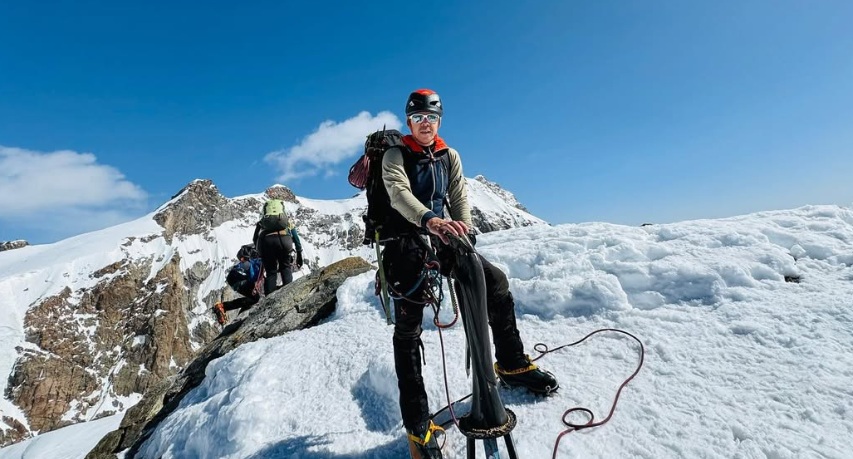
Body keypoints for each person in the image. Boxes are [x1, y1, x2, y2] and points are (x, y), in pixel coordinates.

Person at [381, 89, 559, 458]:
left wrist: (461, 226)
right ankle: (417, 426)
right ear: (408, 122)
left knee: (494, 282)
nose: (425, 124)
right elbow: (398, 193)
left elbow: (459, 193)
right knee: (409, 325)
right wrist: (429, 220)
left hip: (444, 233)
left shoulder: (449, 155)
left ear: (439, 121)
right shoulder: (395, 155)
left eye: (430, 118)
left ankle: (510, 364)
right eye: (418, 118)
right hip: (405, 240)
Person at [252, 199, 304, 295]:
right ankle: (288, 294)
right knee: (285, 267)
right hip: (284, 241)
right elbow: (296, 237)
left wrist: (259, 251)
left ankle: (269, 299)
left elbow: (255, 238)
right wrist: (299, 254)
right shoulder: (286, 221)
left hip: (267, 243)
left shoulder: (262, 221)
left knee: (271, 272)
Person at [213, 249, 263, 325]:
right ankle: (223, 306)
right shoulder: (256, 262)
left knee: (253, 297)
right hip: (238, 279)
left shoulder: (254, 261)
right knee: (254, 298)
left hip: (234, 278)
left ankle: (223, 306)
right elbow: (253, 275)